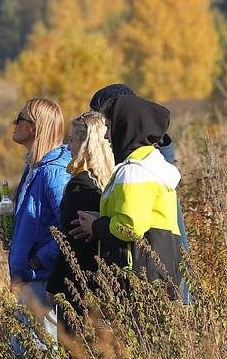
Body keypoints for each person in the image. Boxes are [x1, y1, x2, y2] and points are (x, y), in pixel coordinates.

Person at [69, 95, 184, 298]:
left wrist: (96, 227)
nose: (106, 137)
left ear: (126, 129)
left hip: (137, 279)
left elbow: (130, 227)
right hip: (157, 277)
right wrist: (101, 217)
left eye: (110, 128)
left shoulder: (134, 172)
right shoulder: (153, 166)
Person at [46, 111, 116, 335]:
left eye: (73, 140)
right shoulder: (110, 184)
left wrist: (53, 286)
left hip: (76, 290)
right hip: (106, 290)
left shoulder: (79, 188)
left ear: (85, 145)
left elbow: (70, 247)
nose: (69, 147)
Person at [7, 97, 71, 341]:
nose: (15, 123)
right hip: (33, 281)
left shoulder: (54, 171)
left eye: (20, 118)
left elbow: (68, 225)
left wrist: (38, 258)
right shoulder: (35, 167)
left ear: (34, 127)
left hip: (42, 282)